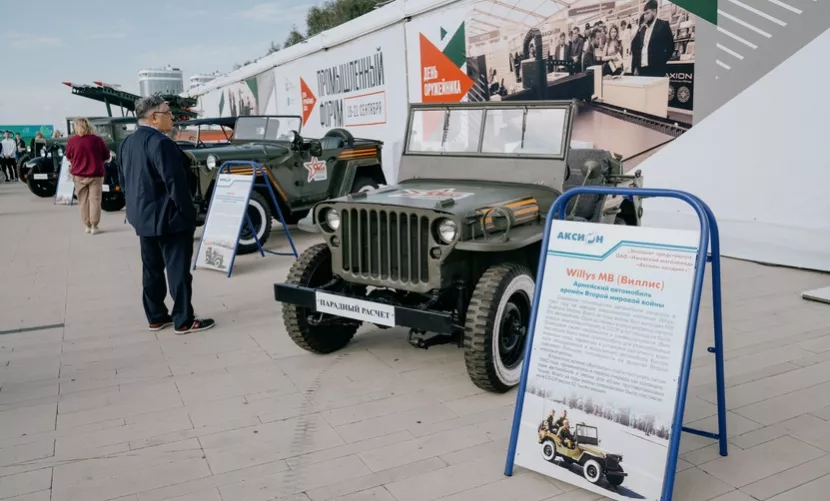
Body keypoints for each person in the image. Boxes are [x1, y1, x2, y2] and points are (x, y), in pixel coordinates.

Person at [118, 96, 215, 335]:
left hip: (142, 217)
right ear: (153, 117)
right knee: (177, 269)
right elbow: (176, 184)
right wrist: (188, 213)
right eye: (167, 112)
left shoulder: (126, 144)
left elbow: (124, 181)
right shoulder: (161, 143)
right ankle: (183, 319)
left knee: (151, 270)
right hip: (170, 218)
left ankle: (156, 316)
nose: (172, 117)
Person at [65, 118, 110, 234]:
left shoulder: (72, 140)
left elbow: (68, 156)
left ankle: (87, 225)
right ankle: (95, 226)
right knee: (95, 200)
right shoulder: (97, 140)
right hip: (95, 174)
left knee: (83, 201)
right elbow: (106, 155)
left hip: (78, 175)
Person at [631, 0, 675, 77]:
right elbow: (634, 46)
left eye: (647, 13)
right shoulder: (643, 28)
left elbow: (670, 47)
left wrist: (661, 61)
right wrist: (636, 66)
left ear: (654, 11)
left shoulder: (663, 25)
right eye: (644, 14)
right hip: (642, 69)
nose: (645, 16)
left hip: (656, 69)